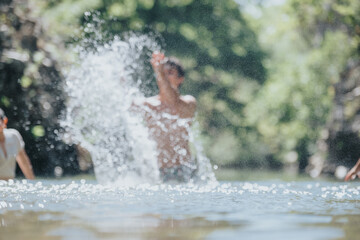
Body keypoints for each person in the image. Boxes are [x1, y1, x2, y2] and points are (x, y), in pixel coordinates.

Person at [133, 52, 197, 182]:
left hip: (183, 170)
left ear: (180, 79)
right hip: (157, 171)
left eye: (170, 72)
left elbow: (171, 100)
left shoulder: (188, 102)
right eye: (163, 72)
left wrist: (159, 70)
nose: (165, 76)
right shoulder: (148, 104)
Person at [0, 108, 35, 180]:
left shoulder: (14, 136)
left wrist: (33, 182)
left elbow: (24, 162)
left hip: (11, 185)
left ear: (4, 121)